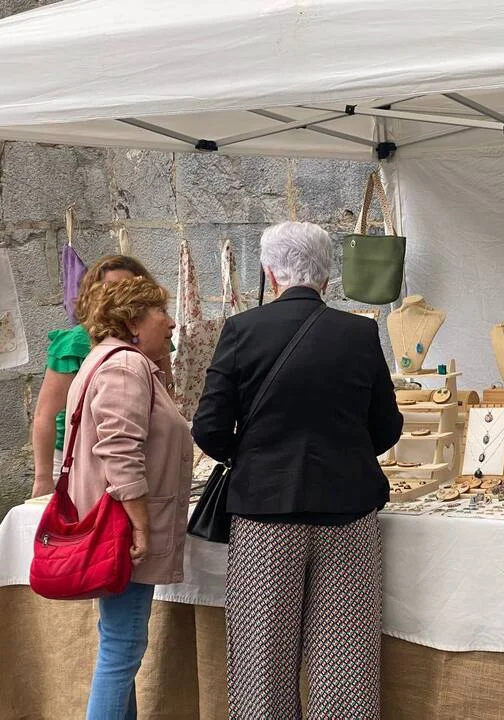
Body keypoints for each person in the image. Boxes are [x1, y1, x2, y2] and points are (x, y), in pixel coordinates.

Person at [192, 221, 403, 719]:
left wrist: (253, 456)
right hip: (347, 512)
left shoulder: (242, 330)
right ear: (327, 276)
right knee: (345, 665)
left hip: (265, 512)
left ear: (270, 273)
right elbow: (387, 427)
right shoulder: (359, 332)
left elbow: (209, 428)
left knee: (261, 665)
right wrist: (346, 454)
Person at [66, 276, 192, 720]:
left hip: (115, 520)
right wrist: (140, 524)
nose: (172, 323)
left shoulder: (116, 360)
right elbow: (120, 452)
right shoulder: (124, 367)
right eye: (162, 312)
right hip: (123, 526)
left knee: (119, 642)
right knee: (122, 647)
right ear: (133, 320)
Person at [31, 255, 173, 498]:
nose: (119, 297)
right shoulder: (75, 342)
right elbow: (46, 414)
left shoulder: (152, 338)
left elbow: (166, 393)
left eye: (128, 288)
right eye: (111, 289)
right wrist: (43, 478)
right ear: (94, 296)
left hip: (137, 446)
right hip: (76, 454)